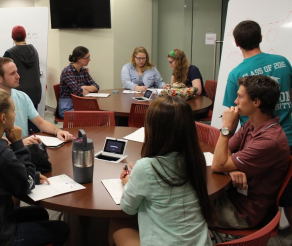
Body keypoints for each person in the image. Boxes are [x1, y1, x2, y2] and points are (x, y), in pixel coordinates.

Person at [0, 88, 70, 246]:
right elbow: (26, 184)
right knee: (62, 228)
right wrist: (18, 145)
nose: (15, 114)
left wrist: (31, 175)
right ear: (3, 118)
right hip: (0, 235)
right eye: (13, 111)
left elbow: (5, 174)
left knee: (40, 213)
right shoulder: (3, 157)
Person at [109, 96, 213, 246]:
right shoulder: (197, 160)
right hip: (200, 242)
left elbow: (128, 208)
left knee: (116, 222)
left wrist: (128, 182)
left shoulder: (146, 167)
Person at [223, 20, 292, 226]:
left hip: (259, 142)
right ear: (260, 38)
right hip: (287, 137)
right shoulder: (283, 62)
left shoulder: (236, 74)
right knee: (287, 197)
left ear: (236, 43)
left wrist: (227, 149)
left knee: (258, 189)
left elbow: (232, 114)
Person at [212, 75, 289, 228]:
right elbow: (225, 150)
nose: (235, 101)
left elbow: (217, 165)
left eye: (240, 96)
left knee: (184, 209)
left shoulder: (269, 141)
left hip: (244, 212)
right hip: (233, 195)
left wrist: (226, 126)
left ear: (256, 102)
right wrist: (231, 169)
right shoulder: (252, 123)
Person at [0, 57, 73, 144]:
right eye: (12, 73)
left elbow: (40, 122)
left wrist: (57, 131)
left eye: (16, 72)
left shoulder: (22, 96)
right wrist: (19, 144)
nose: (18, 76)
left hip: (23, 148)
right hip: (4, 151)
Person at [3, 25, 42, 109]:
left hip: (19, 93)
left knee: (20, 120)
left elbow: (3, 73)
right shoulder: (33, 50)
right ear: (25, 36)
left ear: (12, 37)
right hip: (35, 91)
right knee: (33, 118)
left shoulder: (9, 53)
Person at [58, 46, 99, 119]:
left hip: (79, 105)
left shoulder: (83, 70)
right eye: (87, 57)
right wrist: (81, 90)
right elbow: (78, 91)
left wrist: (84, 87)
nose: (90, 59)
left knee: (98, 114)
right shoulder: (67, 71)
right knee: (93, 117)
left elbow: (96, 86)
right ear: (79, 59)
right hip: (67, 109)